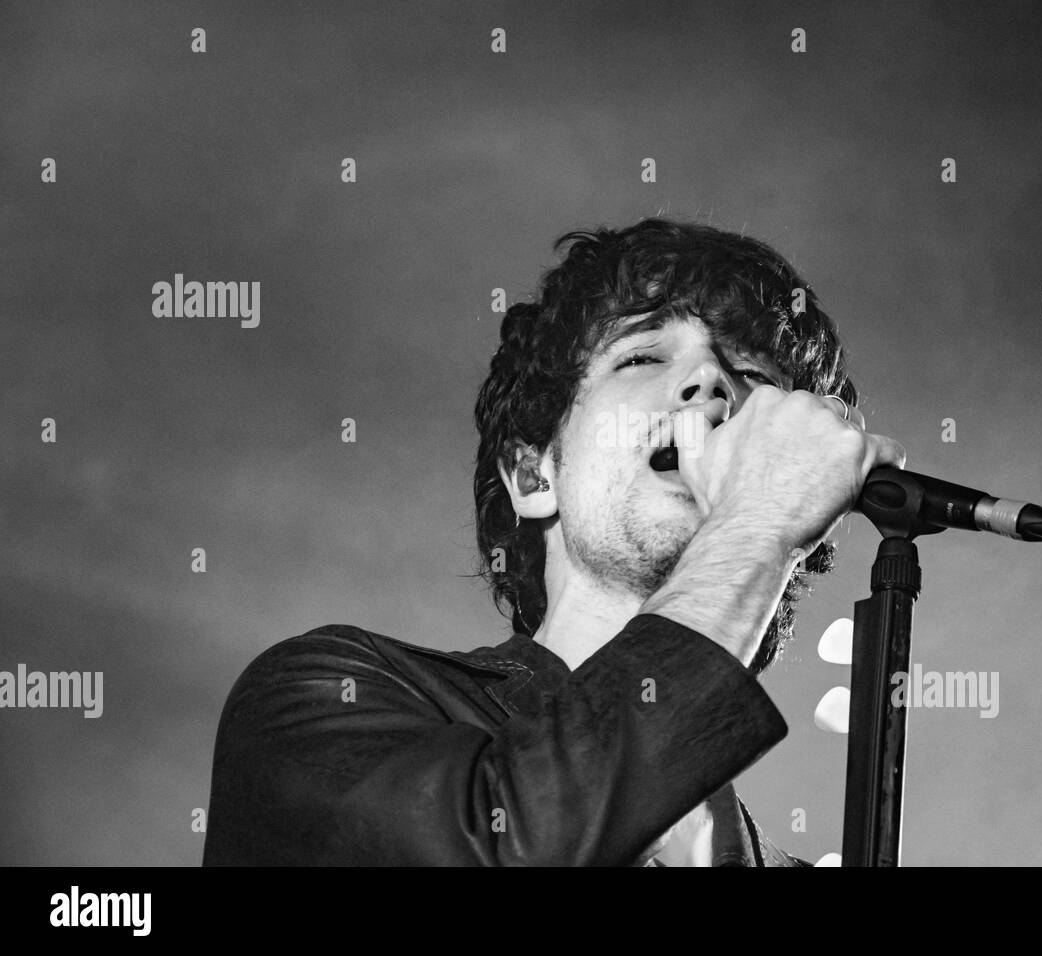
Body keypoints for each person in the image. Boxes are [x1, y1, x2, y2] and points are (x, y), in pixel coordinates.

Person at [202, 218, 905, 866]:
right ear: (534, 475)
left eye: (753, 375)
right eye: (640, 357)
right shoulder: (331, 698)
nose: (711, 382)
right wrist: (754, 525)